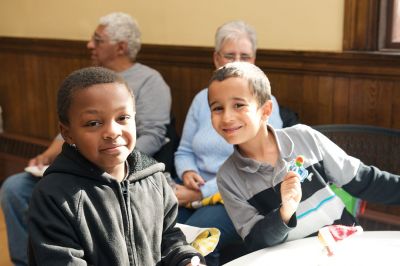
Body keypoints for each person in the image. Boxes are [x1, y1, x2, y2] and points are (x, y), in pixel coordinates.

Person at [0, 12, 171, 266]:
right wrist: (48, 154)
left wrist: (122, 156)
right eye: (94, 122)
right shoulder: (84, 84)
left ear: (121, 46)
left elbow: (169, 238)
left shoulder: (149, 81)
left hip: (123, 162)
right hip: (76, 163)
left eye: (98, 40)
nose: (90, 45)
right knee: (14, 187)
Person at [208, 61, 400, 253]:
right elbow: (256, 241)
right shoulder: (228, 177)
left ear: (266, 110)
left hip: (346, 247)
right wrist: (285, 212)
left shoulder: (304, 137)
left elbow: (364, 180)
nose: (226, 117)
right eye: (217, 108)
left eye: (238, 105)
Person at [27, 66, 203, 265]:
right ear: (67, 133)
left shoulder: (154, 178)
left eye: (123, 118)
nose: (112, 131)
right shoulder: (54, 195)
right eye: (93, 123)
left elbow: (169, 238)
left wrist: (186, 259)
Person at [173, 20, 283, 265]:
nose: (237, 62)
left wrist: (201, 192)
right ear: (216, 59)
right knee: (158, 232)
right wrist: (188, 172)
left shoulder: (264, 103)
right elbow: (184, 150)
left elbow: (262, 170)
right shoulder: (202, 99)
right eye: (229, 55)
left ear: (254, 60)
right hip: (190, 190)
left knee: (191, 246)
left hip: (236, 196)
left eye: (245, 56)